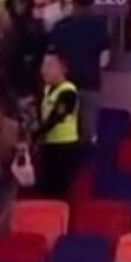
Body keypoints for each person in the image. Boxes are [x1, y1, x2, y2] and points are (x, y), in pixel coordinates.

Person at [47, 0, 111, 141]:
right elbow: (105, 60)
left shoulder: (60, 27)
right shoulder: (100, 25)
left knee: (62, 135)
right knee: (87, 136)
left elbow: (52, 59)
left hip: (63, 87)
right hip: (90, 85)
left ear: (72, 0)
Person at [34, 50, 82, 198]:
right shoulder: (46, 90)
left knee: (60, 190)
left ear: (63, 68)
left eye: (50, 65)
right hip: (49, 145)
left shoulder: (68, 91)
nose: (44, 70)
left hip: (65, 147)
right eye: (43, 66)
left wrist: (35, 134)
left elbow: (56, 118)